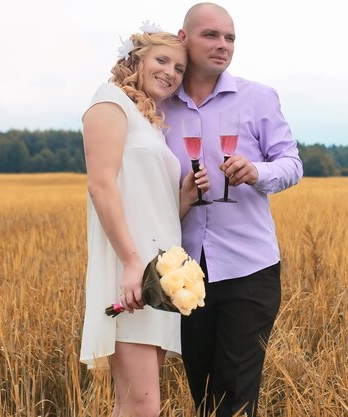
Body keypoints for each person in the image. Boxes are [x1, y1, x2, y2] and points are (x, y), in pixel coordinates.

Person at [160, 3, 303, 416]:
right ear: (183, 38)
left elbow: (292, 164)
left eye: (230, 38)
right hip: (182, 270)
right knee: (201, 391)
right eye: (211, 35)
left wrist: (256, 171)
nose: (223, 45)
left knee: (236, 393)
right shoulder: (159, 104)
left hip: (250, 268)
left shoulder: (258, 98)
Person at [79, 24, 209, 417]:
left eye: (180, 68)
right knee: (143, 404)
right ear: (136, 59)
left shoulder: (149, 121)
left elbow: (150, 205)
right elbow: (101, 186)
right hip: (133, 272)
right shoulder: (109, 103)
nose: (171, 72)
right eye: (162, 60)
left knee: (135, 403)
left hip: (158, 276)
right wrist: (133, 263)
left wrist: (183, 199)